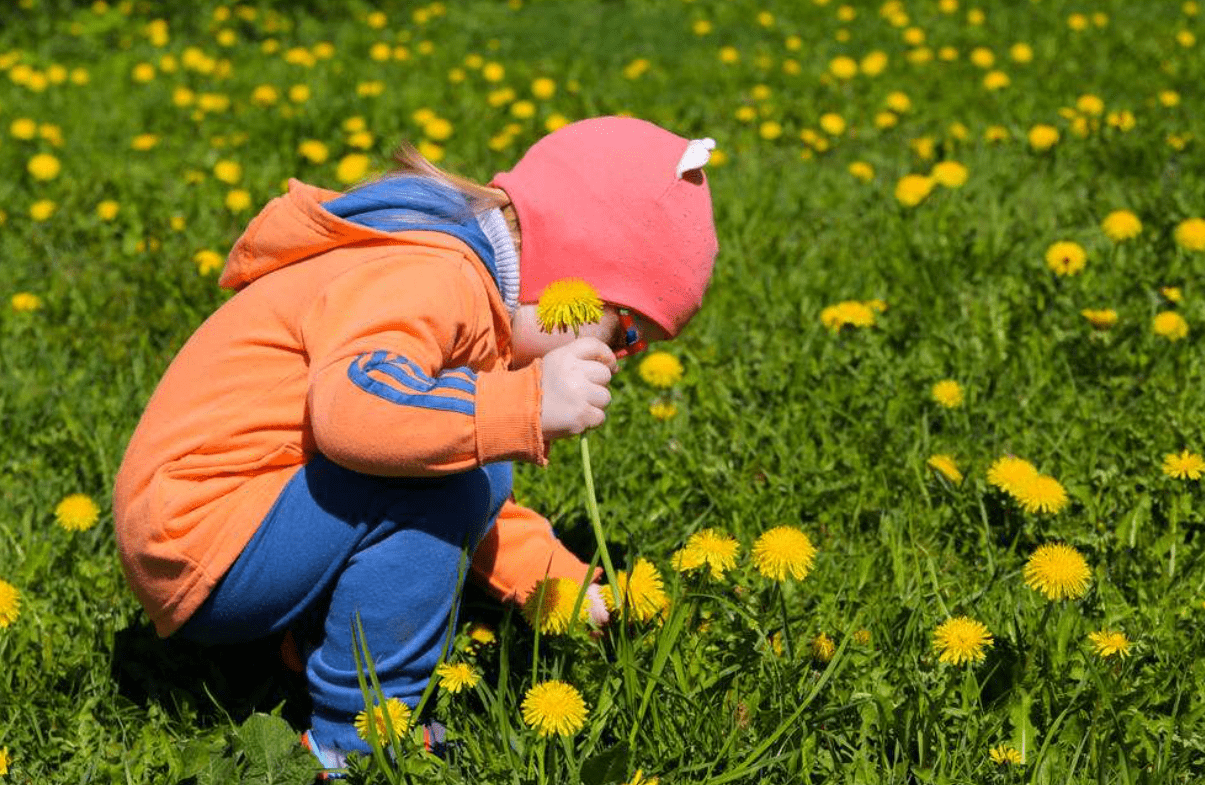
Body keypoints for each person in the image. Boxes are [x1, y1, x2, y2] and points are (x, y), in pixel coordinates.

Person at [112, 116, 718, 771]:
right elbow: (356, 412)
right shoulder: (431, 277)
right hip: (202, 537)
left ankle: (315, 637)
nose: (616, 359)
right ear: (575, 266)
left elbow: (437, 482)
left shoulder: (458, 278)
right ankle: (354, 739)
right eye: (625, 331)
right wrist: (524, 404)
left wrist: (563, 588)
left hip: (224, 527)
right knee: (458, 478)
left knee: (460, 468)